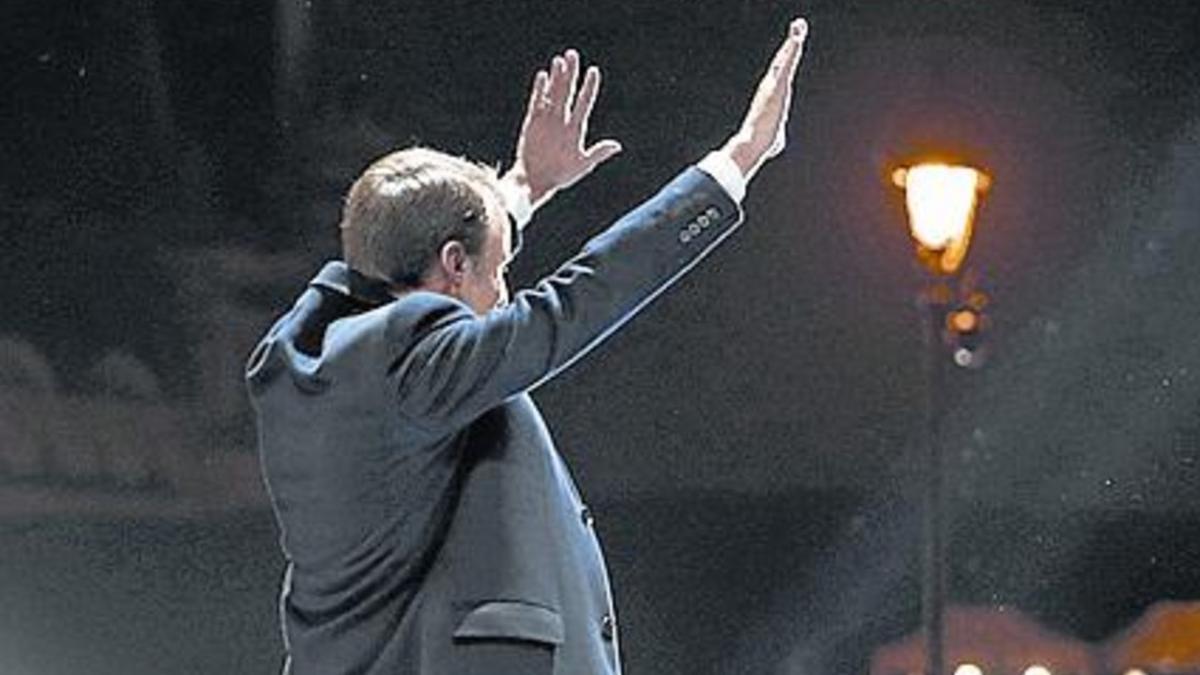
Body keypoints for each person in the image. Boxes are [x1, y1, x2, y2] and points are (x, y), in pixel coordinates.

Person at [246, 17, 810, 675]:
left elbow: (441, 261)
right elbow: (572, 303)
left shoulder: (315, 363)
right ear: (454, 264)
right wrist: (737, 160)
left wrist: (522, 188)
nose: (505, 294)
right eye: (498, 272)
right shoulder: (417, 367)